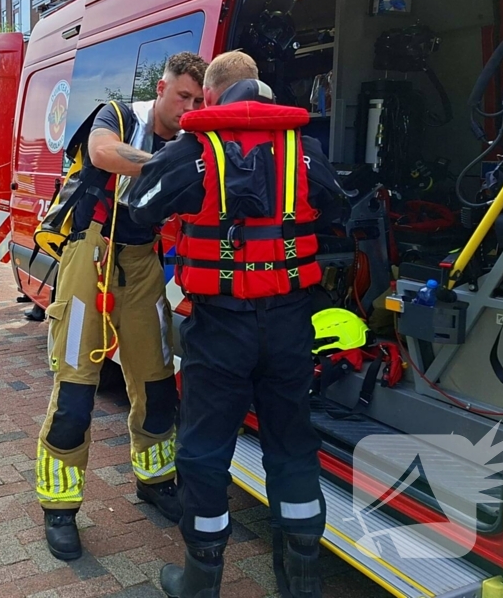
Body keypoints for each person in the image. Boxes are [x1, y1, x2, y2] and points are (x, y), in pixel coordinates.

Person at [128, 51, 349, 598]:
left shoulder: (193, 151)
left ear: (211, 97)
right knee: (292, 444)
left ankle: (201, 581)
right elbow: (339, 209)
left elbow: (138, 209)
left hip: (221, 328)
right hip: (291, 323)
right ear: (263, 91)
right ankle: (300, 580)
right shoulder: (305, 150)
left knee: (205, 450)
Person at [36, 52, 209, 562]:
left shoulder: (193, 141)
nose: (190, 108)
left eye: (199, 101)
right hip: (90, 253)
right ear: (162, 88)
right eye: (183, 96)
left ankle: (156, 480)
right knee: (74, 393)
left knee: (158, 385)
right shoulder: (120, 114)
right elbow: (104, 152)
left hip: (143, 261)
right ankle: (60, 506)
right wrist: (165, 161)